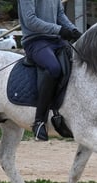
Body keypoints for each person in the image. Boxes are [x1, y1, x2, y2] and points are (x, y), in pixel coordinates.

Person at [17, 0, 82, 141]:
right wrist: (58, 30)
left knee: (77, 62)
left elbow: (60, 15)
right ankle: (39, 121)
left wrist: (73, 30)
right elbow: (30, 20)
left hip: (55, 41)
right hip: (35, 41)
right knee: (53, 68)